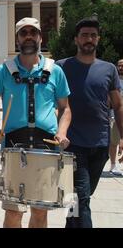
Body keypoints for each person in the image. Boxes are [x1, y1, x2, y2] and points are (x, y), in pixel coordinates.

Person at [0, 17, 71, 228]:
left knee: (40, 212)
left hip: (46, 146)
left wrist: (62, 131)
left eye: (33, 32)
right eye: (24, 33)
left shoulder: (55, 70)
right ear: (17, 39)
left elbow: (65, 108)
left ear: (40, 37)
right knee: (13, 213)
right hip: (14, 146)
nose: (29, 36)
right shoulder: (3, 71)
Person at [56, 17, 123, 228]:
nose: (89, 39)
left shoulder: (109, 69)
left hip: (101, 144)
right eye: (84, 35)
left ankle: (70, 223)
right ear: (76, 39)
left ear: (98, 39)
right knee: (82, 197)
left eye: (93, 35)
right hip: (73, 144)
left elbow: (118, 105)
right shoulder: (62, 67)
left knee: (79, 198)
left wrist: (122, 136)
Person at [109, 59, 123, 175]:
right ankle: (113, 165)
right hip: (115, 116)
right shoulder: (114, 81)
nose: (121, 68)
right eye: (119, 65)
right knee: (114, 141)